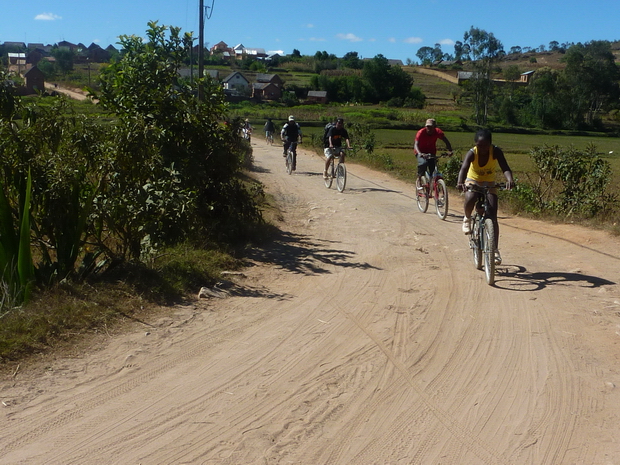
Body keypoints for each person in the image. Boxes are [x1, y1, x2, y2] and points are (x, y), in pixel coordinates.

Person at [457, 128, 515, 265]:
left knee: (493, 215)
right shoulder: (472, 153)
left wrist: (510, 180)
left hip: (489, 182)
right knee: (470, 197)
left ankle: (494, 250)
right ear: (475, 144)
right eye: (479, 145)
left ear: (490, 143)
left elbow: (505, 167)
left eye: (485, 145)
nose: (482, 148)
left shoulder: (496, 151)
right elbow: (464, 168)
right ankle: (467, 217)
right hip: (473, 179)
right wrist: (460, 182)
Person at [414, 118, 453, 187]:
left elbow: (446, 141)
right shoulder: (421, 132)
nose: (429, 128)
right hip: (420, 152)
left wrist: (450, 150)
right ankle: (420, 178)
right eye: (427, 126)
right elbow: (416, 144)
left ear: (434, 127)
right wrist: (420, 153)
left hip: (431, 152)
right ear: (425, 126)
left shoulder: (438, 132)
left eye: (431, 127)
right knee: (423, 163)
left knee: (433, 168)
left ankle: (432, 185)